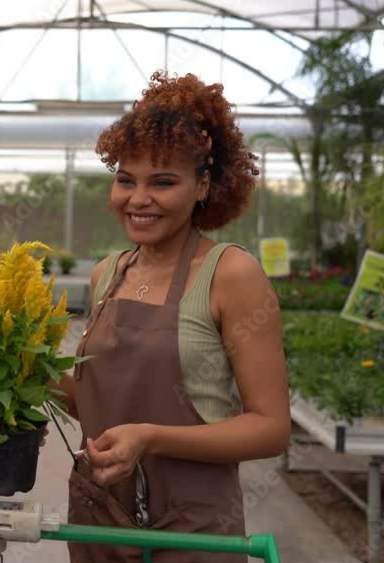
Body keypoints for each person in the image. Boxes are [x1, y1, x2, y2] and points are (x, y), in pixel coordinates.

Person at [52, 71, 291, 562]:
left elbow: (270, 428)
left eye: (163, 183)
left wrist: (152, 438)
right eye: (126, 180)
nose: (139, 199)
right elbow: (98, 399)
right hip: (100, 514)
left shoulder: (230, 274)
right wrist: (26, 371)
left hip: (191, 523)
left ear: (203, 185)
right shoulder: (107, 274)